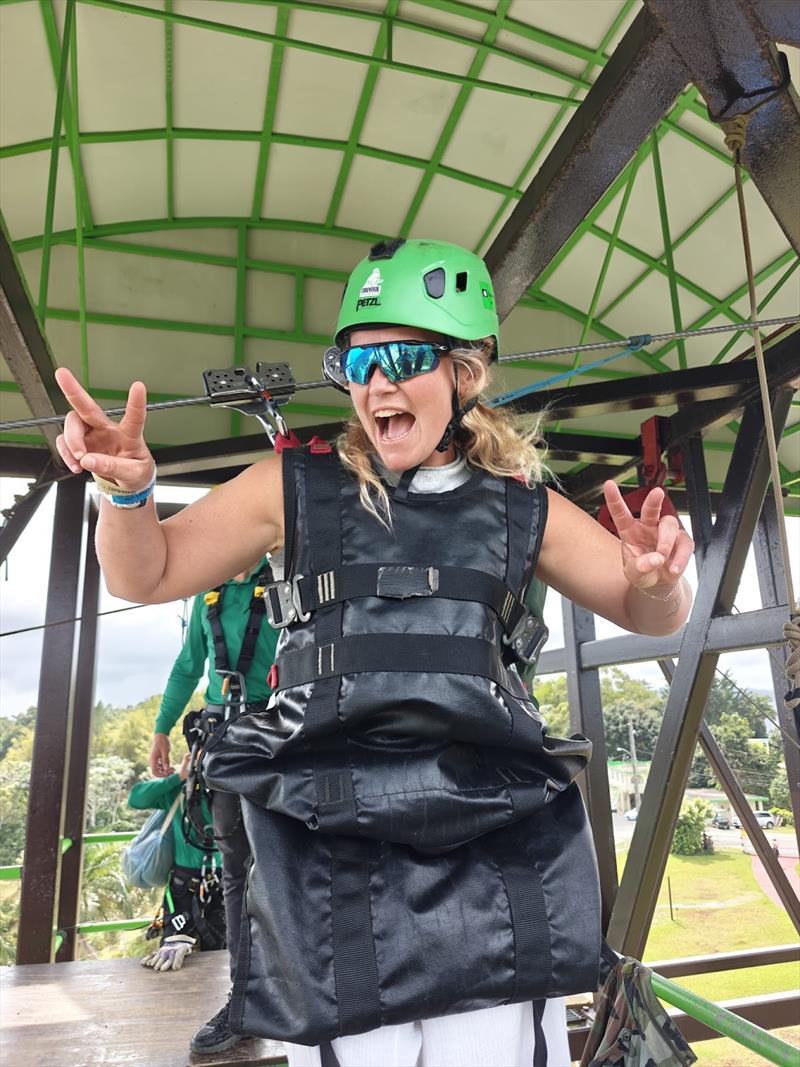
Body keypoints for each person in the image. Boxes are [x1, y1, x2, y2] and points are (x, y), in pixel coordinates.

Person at [54, 238, 694, 1067]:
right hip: (335, 837)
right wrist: (127, 494)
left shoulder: (519, 506)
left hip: (489, 837)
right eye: (353, 364)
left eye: (399, 358)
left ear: (465, 372)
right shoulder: (294, 483)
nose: (374, 385)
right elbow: (150, 571)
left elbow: (651, 612)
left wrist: (656, 578)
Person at [148, 556, 279, 1051]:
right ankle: (244, 998)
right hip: (224, 738)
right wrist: (162, 728)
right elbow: (188, 667)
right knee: (234, 864)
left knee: (290, 857)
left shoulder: (290, 583)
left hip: (277, 735)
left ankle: (304, 985)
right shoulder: (210, 595)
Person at [128, 721, 225, 969]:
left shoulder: (231, 784)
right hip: (185, 883)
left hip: (227, 879)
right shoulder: (182, 788)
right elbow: (137, 798)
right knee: (174, 953)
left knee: (223, 953)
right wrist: (180, 777)